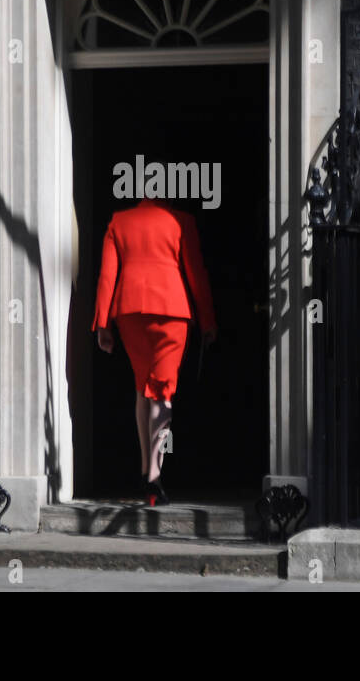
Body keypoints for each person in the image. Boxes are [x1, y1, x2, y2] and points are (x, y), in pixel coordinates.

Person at [91, 191, 217, 506]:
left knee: (141, 388)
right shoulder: (181, 221)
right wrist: (208, 321)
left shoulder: (119, 221)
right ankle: (154, 477)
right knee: (162, 391)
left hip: (129, 312)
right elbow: (196, 273)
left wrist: (102, 324)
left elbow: (107, 275)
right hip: (171, 312)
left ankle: (146, 469)